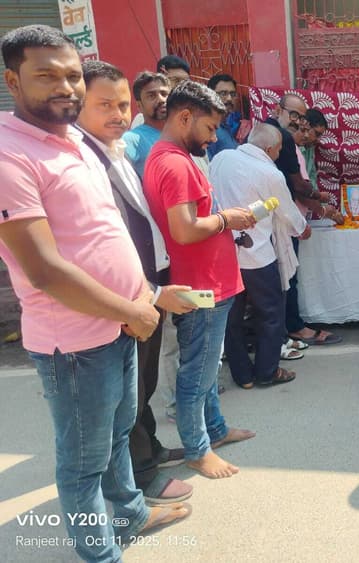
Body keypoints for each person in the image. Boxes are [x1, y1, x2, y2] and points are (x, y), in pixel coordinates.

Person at [0, 25, 189, 561]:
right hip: (75, 343)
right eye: (46, 75)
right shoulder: (10, 155)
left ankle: (129, 512)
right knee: (83, 462)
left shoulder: (76, 142)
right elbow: (45, 270)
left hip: (120, 323)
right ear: (13, 81)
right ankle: (99, 552)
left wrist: (148, 295)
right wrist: (134, 309)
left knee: (118, 432)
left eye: (71, 76)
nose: (65, 87)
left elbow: (101, 236)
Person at [76, 60, 198, 505]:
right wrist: (144, 296)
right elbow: (98, 244)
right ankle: (141, 477)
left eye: (122, 104)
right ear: (78, 104)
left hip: (149, 283)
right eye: (104, 104)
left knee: (142, 383)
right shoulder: (84, 160)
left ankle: (151, 451)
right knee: (125, 395)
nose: (117, 114)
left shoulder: (116, 152)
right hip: (128, 295)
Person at [142, 80, 255, 479]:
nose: (212, 138)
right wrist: (227, 219)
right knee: (198, 372)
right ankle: (197, 449)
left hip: (207, 281)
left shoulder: (172, 157)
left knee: (207, 365)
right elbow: (185, 229)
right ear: (185, 117)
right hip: (202, 286)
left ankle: (215, 430)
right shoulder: (174, 163)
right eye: (209, 128)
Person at [211, 123, 310, 388]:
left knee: (231, 318)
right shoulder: (269, 173)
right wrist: (303, 229)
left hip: (224, 251)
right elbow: (287, 212)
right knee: (270, 313)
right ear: (269, 149)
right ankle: (267, 371)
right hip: (257, 255)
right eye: (278, 150)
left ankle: (243, 376)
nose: (278, 154)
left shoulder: (222, 158)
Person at [266, 93, 343, 345]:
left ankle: (283, 332)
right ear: (278, 110)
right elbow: (297, 187)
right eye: (295, 117)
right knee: (287, 278)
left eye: (301, 120)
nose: (301, 127)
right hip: (283, 222)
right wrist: (322, 206)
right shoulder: (283, 139)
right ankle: (293, 329)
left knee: (283, 277)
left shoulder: (284, 140)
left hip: (277, 220)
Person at [123, 71, 170, 178]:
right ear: (139, 106)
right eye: (151, 96)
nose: (161, 99)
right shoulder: (130, 141)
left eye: (164, 94)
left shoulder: (181, 136)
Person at [130, 54, 190, 130]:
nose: (181, 85)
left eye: (185, 81)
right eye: (175, 80)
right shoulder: (142, 119)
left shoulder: (192, 115)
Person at [206, 73, 241, 159]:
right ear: (210, 95)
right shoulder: (208, 129)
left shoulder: (224, 124)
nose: (229, 98)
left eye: (232, 94)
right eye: (223, 93)